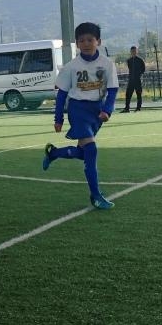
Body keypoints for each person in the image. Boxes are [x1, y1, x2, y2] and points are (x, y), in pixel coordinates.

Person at [41, 22, 119, 210]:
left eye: (90, 40)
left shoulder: (107, 64)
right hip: (78, 110)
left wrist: (107, 110)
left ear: (98, 41)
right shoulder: (71, 67)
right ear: (77, 43)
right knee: (91, 150)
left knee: (84, 153)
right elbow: (61, 94)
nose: (86, 44)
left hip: (96, 112)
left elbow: (113, 90)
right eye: (81, 40)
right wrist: (58, 119)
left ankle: (54, 153)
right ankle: (96, 196)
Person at [122, 45, 146, 113]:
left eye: (135, 51)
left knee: (139, 94)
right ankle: (127, 108)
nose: (133, 52)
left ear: (136, 51)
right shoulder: (129, 60)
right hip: (131, 80)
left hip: (137, 80)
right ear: (130, 52)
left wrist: (138, 75)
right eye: (132, 51)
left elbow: (143, 69)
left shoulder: (140, 60)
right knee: (128, 94)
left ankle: (138, 108)